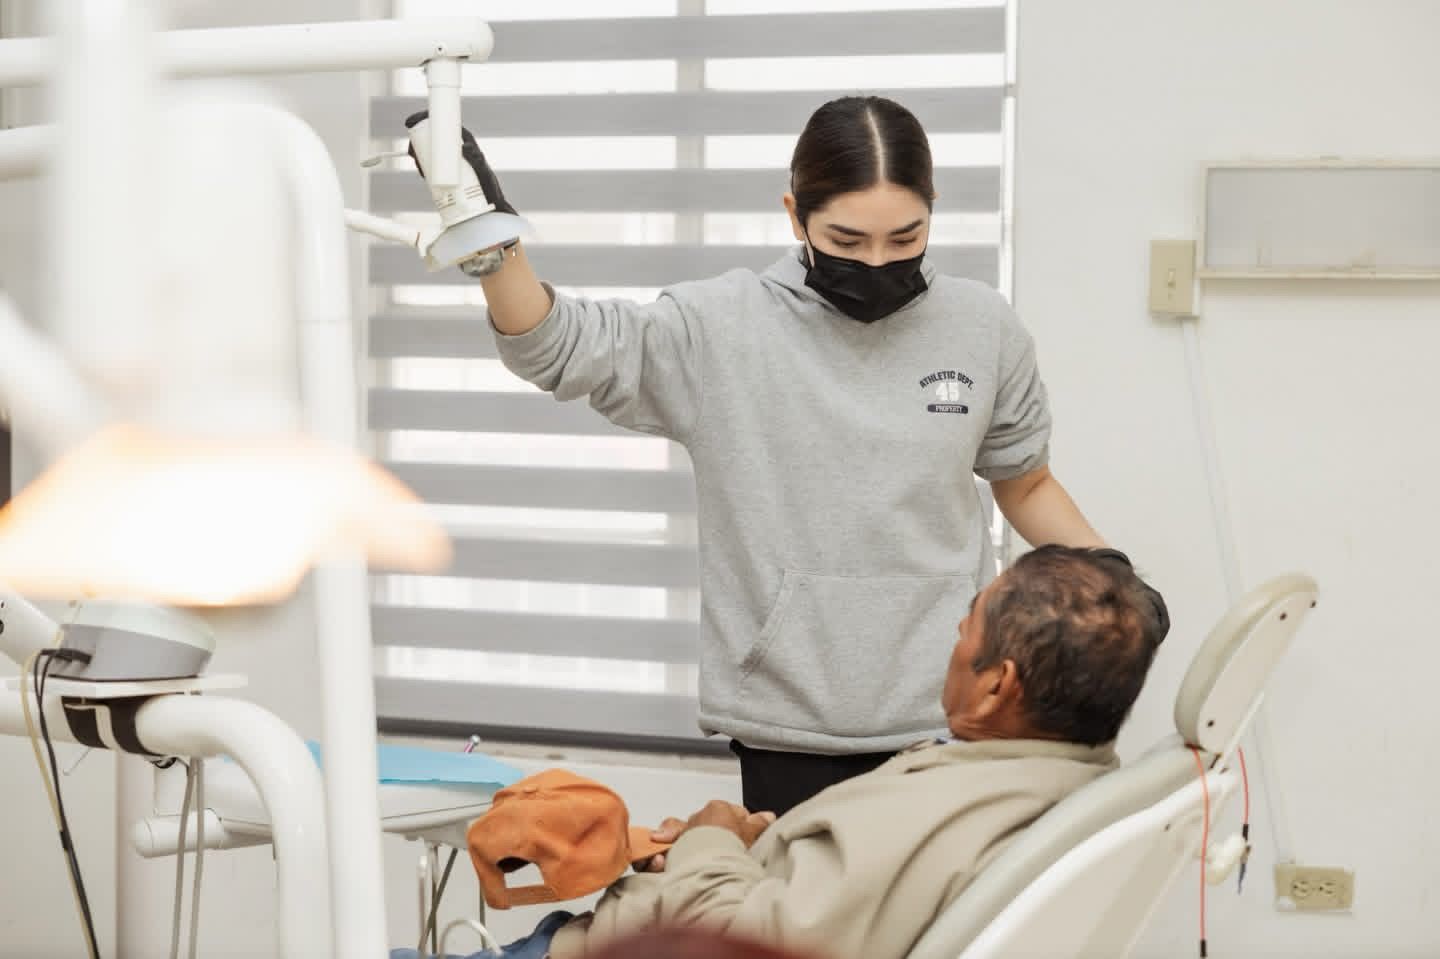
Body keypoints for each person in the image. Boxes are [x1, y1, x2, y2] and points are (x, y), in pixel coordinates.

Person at [405, 96, 1168, 816]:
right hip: (788, 726)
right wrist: (489, 244)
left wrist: (1112, 574)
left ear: (932, 213)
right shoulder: (721, 328)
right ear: (794, 214)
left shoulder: (982, 327)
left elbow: (1024, 480)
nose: (877, 262)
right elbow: (557, 347)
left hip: (950, 719)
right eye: (847, 241)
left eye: (905, 238)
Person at [392, 545, 1165, 959]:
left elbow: (750, 945)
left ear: (997, 686)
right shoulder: (1052, 778)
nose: (954, 639)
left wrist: (710, 835)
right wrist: (741, 844)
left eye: (968, 623)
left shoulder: (937, 817)